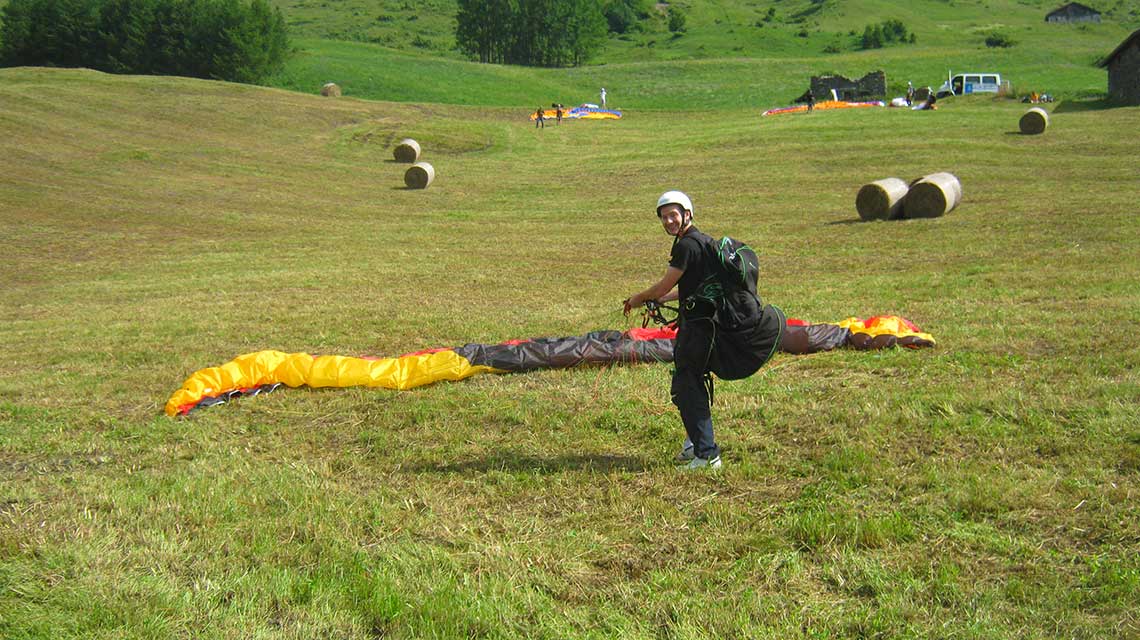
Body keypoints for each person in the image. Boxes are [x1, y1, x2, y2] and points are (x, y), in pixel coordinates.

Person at [623, 191, 785, 470]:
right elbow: (694, 285)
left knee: (688, 383)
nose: (668, 221)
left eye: (673, 214)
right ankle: (694, 444)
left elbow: (662, 285)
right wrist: (666, 299)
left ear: (687, 214)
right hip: (706, 324)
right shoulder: (701, 241)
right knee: (689, 382)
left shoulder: (686, 246)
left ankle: (707, 455)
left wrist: (637, 299)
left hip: (700, 328)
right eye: (664, 217)